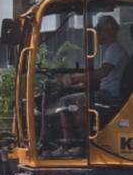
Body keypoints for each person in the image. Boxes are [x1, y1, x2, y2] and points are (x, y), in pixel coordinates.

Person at [51, 15, 128, 158]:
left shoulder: (115, 49)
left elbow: (102, 73)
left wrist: (74, 79)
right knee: (68, 100)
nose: (97, 32)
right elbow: (99, 74)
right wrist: (81, 79)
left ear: (109, 30)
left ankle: (79, 145)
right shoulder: (109, 50)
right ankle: (71, 143)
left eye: (99, 29)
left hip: (109, 96)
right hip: (106, 92)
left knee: (72, 101)